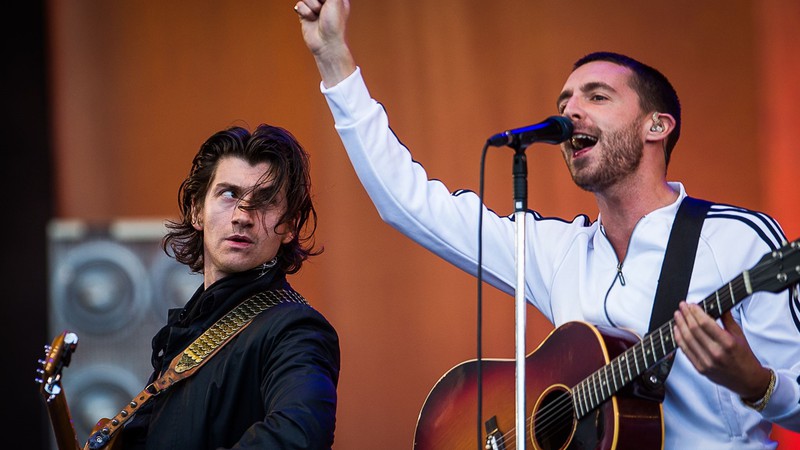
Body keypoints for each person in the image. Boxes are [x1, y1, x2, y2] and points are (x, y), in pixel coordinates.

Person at [294, 0, 800, 448]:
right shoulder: (558, 250)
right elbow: (409, 203)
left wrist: (758, 385)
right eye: (564, 104)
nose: (571, 112)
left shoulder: (737, 240)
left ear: (657, 125)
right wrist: (333, 59)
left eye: (597, 97)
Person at [118, 124, 340, 449]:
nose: (243, 216)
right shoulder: (188, 331)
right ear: (197, 211)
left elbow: (297, 437)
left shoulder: (296, 331)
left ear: (289, 227)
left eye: (264, 201)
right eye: (229, 194)